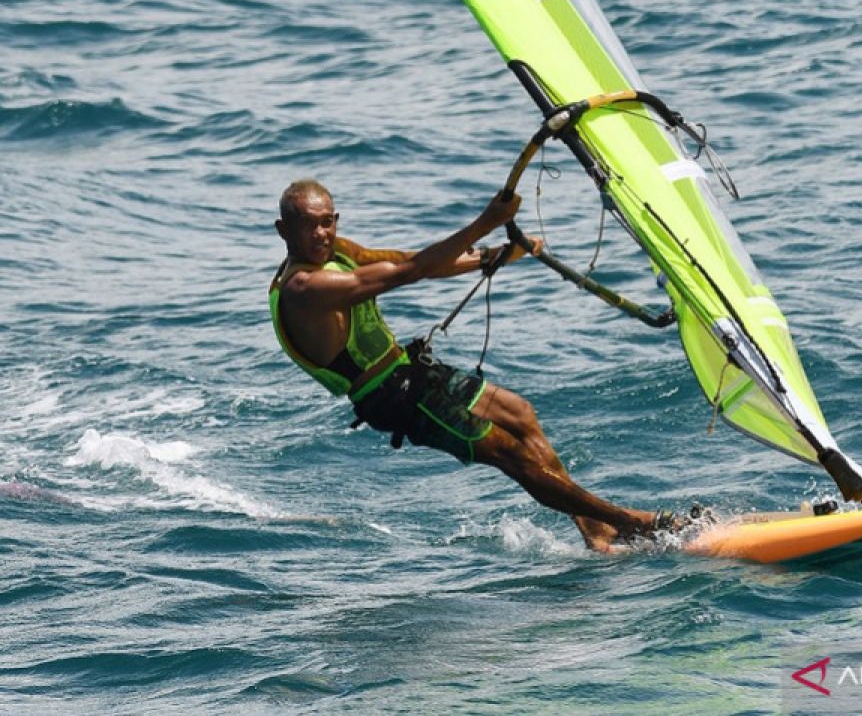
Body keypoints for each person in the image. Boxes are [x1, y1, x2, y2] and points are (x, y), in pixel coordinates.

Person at [269, 178, 669, 551]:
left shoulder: (337, 251)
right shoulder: (304, 289)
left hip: (412, 372)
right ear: (283, 230)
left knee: (521, 415)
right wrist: (488, 222)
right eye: (307, 226)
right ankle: (630, 521)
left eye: (327, 223)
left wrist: (493, 257)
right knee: (515, 456)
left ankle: (595, 529)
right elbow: (411, 271)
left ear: (335, 220)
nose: (321, 234)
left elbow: (412, 260)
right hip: (393, 399)